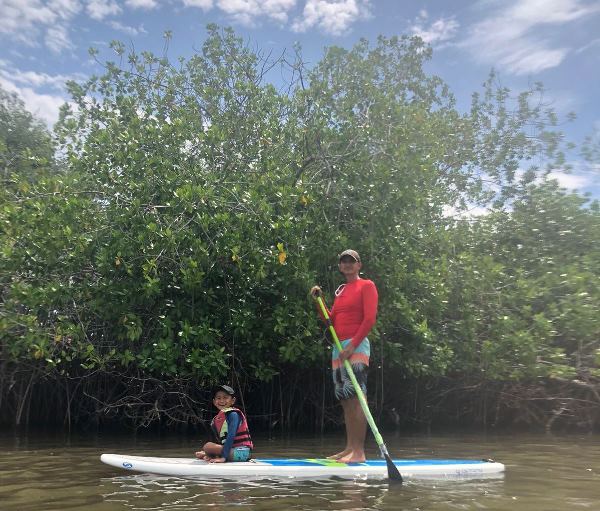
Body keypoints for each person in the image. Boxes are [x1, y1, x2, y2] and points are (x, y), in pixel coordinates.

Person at [311, 249, 378, 463]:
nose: (347, 264)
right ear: (340, 266)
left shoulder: (367, 285)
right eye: (344, 261)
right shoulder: (341, 291)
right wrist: (318, 301)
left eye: (352, 261)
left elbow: (369, 320)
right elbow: (329, 320)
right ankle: (349, 448)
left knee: (357, 398)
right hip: (339, 348)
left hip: (355, 347)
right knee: (346, 399)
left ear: (359, 265)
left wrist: (352, 346)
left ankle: (359, 452)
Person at [195, 385, 253, 463]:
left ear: (233, 400)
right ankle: (209, 455)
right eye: (218, 398)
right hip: (232, 451)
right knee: (208, 446)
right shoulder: (217, 419)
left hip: (242, 453)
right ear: (214, 401)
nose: (222, 401)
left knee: (207, 446)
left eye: (225, 398)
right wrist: (210, 452)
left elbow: (231, 436)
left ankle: (210, 454)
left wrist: (223, 458)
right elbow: (217, 441)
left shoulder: (233, 414)